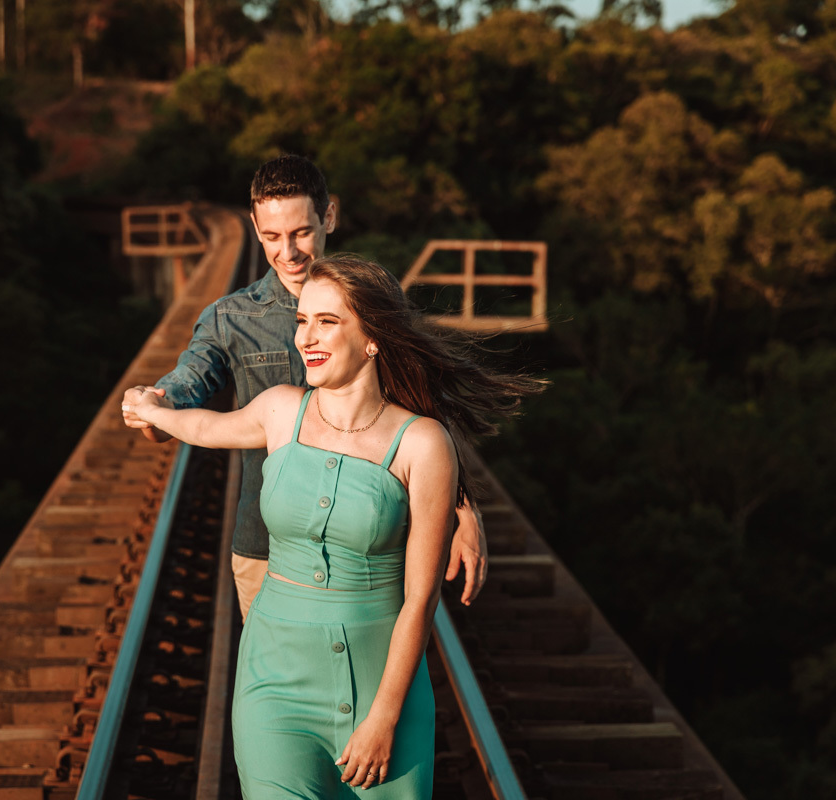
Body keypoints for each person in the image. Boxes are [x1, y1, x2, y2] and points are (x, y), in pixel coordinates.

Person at [125, 254, 541, 798]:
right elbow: (206, 426)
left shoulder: (422, 444)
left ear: (373, 339)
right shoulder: (280, 410)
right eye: (302, 319)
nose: (306, 337)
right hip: (275, 680)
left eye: (327, 321)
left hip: (380, 688)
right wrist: (154, 410)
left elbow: (420, 601)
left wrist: (384, 718)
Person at [122, 155, 487, 619]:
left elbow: (425, 406)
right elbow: (183, 387)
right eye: (272, 236)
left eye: (301, 233)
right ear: (255, 227)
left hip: (368, 547)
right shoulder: (230, 319)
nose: (288, 252)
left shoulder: (371, 301)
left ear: (328, 216)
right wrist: (151, 406)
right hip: (265, 550)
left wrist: (466, 512)